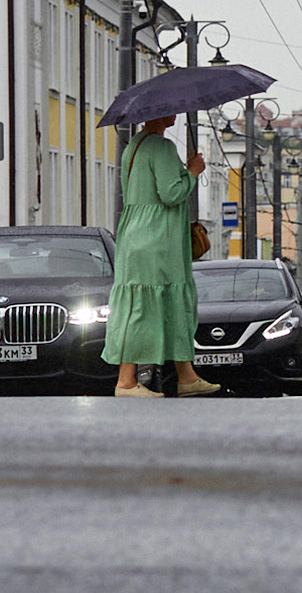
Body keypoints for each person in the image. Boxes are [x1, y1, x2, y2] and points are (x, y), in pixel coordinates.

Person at [102, 114, 220, 398]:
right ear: (161, 115)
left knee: (146, 306)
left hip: (135, 236)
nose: (176, 114)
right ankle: (126, 381)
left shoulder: (135, 145)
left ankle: (186, 376)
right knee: (152, 307)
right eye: (171, 109)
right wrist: (192, 170)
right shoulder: (162, 147)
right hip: (158, 239)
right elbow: (171, 193)